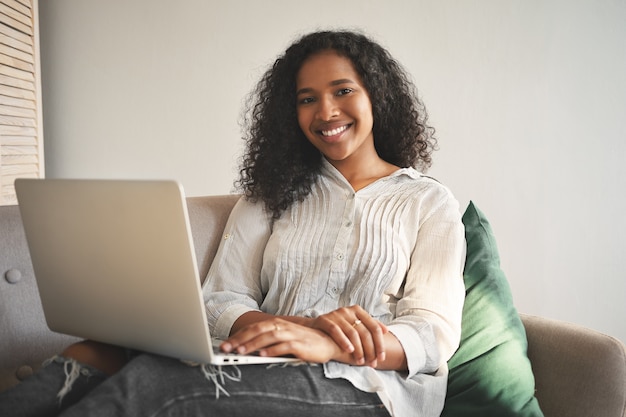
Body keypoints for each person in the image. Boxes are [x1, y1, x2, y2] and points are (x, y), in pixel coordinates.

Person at [0, 30, 466, 417]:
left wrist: (326, 343)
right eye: (307, 99)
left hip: (371, 388)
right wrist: (283, 329)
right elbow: (221, 298)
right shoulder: (271, 194)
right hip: (260, 361)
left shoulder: (428, 201)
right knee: (90, 354)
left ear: (376, 96)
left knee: (157, 383)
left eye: (343, 90)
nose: (326, 112)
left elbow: (432, 333)